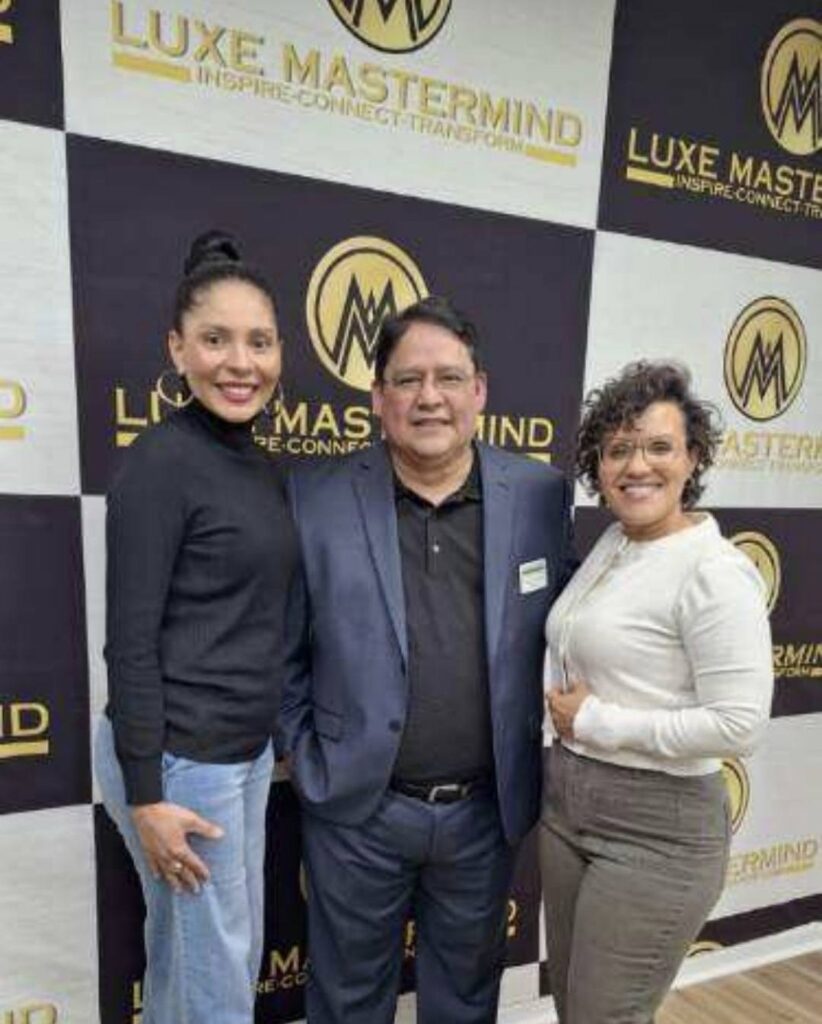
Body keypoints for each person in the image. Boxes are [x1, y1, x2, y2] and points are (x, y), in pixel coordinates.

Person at [278, 295, 575, 1024]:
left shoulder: (539, 494)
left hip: (483, 814)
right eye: (408, 380)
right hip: (357, 810)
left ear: (479, 391)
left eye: (448, 377)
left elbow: (569, 626)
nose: (429, 397)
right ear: (378, 398)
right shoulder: (313, 495)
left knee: (466, 1004)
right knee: (346, 1003)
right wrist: (308, 757)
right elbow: (280, 648)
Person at [95, 231, 299, 1024]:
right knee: (215, 980)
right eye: (215, 340)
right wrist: (148, 796)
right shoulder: (160, 463)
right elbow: (130, 641)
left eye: (258, 341)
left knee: (199, 958)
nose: (239, 363)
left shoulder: (256, 463)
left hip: (237, 754)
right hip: (181, 766)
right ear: (177, 349)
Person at [541, 360, 773, 1024]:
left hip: (658, 829)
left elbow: (739, 725)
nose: (637, 466)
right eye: (618, 450)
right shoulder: (616, 541)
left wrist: (599, 722)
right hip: (568, 807)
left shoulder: (714, 572)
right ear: (597, 465)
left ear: (692, 457)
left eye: (658, 446)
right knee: (574, 1010)